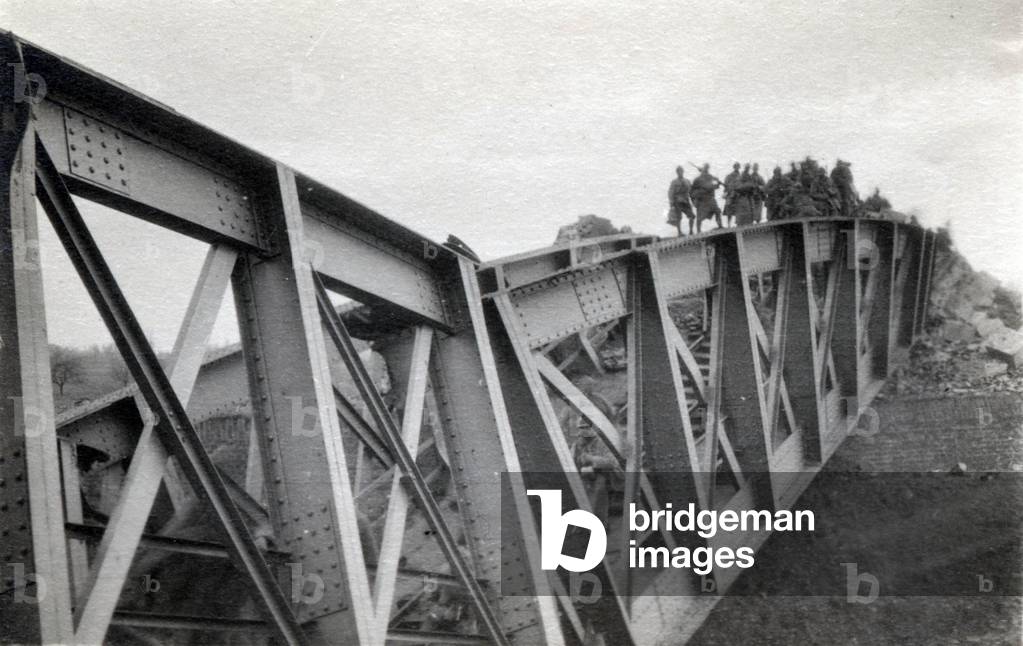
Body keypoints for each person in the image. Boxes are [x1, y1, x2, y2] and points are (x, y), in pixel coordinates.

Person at [690, 164, 722, 231]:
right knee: (699, 217)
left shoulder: (710, 177)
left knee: (717, 211)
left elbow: (712, 186)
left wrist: (718, 183)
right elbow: (692, 190)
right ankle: (698, 230)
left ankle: (720, 225)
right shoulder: (697, 179)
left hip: (710, 199)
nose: (706, 170)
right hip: (702, 200)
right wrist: (695, 200)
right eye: (705, 169)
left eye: (707, 169)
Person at [667, 166, 695, 236]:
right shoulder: (674, 182)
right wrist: (671, 203)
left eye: (681, 171)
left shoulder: (687, 181)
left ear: (683, 172)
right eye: (679, 171)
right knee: (678, 217)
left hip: (686, 200)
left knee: (691, 216)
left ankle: (691, 231)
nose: (680, 173)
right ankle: (679, 232)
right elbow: (671, 192)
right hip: (677, 201)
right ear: (677, 172)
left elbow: (691, 191)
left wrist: (694, 200)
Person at [722, 162, 741, 227]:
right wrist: (726, 192)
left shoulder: (741, 176)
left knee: (738, 209)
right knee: (729, 210)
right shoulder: (729, 176)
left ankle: (738, 223)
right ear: (734, 167)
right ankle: (729, 224)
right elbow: (725, 185)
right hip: (730, 194)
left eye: (738, 166)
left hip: (738, 195)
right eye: (736, 166)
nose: (737, 168)